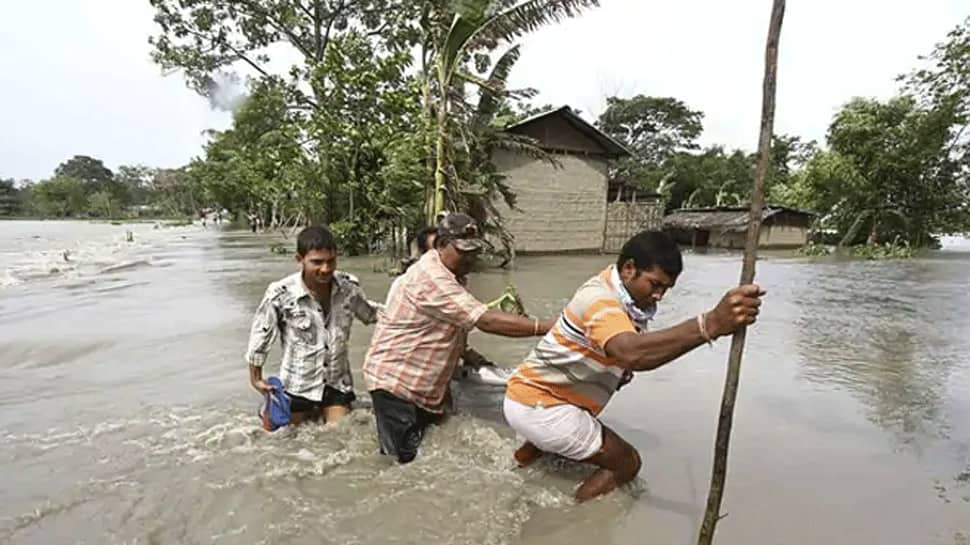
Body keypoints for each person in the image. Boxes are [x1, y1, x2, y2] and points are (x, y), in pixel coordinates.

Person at [503, 231, 765, 503]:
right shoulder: (598, 299)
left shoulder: (624, 299)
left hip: (531, 396)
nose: (659, 295)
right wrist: (710, 324)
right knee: (627, 463)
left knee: (562, 442)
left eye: (666, 289)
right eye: (655, 284)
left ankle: (516, 464)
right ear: (628, 269)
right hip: (541, 405)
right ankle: (568, 516)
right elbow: (632, 353)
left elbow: (630, 352)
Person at [362, 213, 556, 463]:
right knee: (401, 464)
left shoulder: (453, 275)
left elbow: (447, 324)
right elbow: (485, 321)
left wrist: (469, 355)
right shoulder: (431, 278)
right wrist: (548, 326)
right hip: (397, 382)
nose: (470, 258)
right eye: (463, 251)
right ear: (441, 244)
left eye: (474, 252)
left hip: (426, 384)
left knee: (431, 452)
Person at [245, 225, 378, 427]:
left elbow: (371, 314)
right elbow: (261, 336)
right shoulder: (281, 294)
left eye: (330, 261)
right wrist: (256, 379)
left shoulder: (349, 288)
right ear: (300, 260)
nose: (325, 269)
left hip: (337, 385)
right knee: (289, 441)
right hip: (298, 386)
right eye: (317, 262)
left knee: (339, 435)